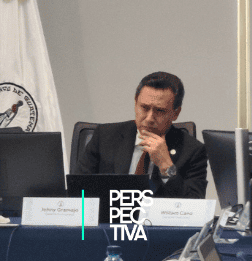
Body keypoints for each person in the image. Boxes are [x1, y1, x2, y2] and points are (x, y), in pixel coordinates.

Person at [73, 71, 207, 199]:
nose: (149, 118)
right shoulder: (104, 137)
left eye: (159, 111)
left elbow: (194, 205)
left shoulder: (193, 151)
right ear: (135, 103)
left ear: (176, 113)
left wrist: (166, 167)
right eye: (144, 108)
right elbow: (78, 192)